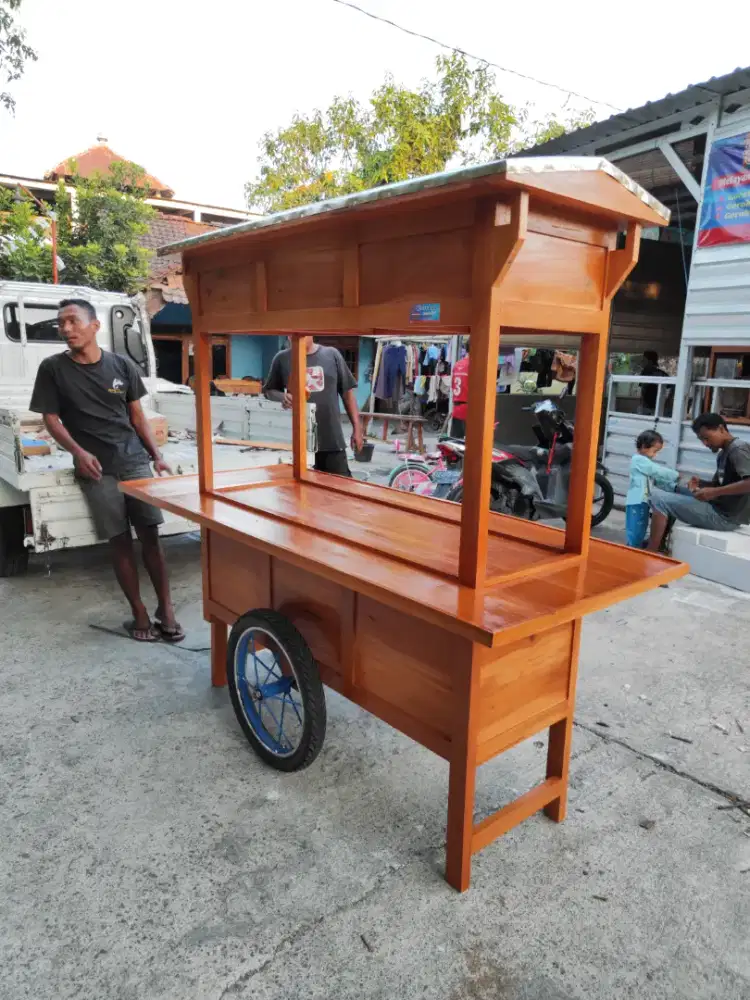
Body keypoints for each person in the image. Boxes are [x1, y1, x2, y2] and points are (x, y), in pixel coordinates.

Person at [29, 299, 183, 643]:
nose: (65, 329)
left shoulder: (122, 365)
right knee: (119, 540)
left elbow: (137, 416)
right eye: (61, 323)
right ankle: (139, 612)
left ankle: (167, 610)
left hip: (133, 460)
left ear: (95, 325)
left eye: (73, 321)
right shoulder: (53, 368)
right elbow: (50, 419)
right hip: (96, 468)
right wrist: (78, 452)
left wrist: (156, 455)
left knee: (151, 536)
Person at [647, 413, 750, 551]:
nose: (705, 444)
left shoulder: (738, 449)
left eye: (706, 438)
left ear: (721, 429)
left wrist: (714, 492)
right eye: (701, 440)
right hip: (718, 506)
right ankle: (660, 544)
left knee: (658, 499)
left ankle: (651, 551)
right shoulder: (723, 454)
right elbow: (718, 485)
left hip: (726, 517)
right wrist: (701, 484)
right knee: (674, 488)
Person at [263, 336, 363, 476]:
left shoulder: (331, 354)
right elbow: (268, 391)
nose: (296, 336)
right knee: (300, 486)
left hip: (331, 439)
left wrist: (357, 428)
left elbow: (347, 394)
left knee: (338, 485)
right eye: (291, 333)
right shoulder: (282, 358)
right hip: (298, 442)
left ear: (311, 332)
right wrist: (282, 397)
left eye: (303, 332)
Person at [625, 430, 679, 548]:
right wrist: (676, 475)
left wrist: (674, 486)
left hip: (642, 501)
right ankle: (632, 549)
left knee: (641, 528)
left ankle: (634, 548)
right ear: (644, 446)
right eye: (655, 451)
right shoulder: (639, 460)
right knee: (636, 530)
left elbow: (657, 480)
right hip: (637, 501)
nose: (655, 455)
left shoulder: (644, 463)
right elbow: (657, 471)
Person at [639, 350, 668, 414]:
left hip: (656, 408)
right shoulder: (644, 372)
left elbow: (672, 386)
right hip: (647, 407)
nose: (642, 362)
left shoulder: (661, 374)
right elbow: (642, 391)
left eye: (644, 360)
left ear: (650, 361)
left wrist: (667, 402)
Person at [451, 342, 469, 437]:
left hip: (457, 408)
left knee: (456, 442)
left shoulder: (457, 365)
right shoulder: (475, 365)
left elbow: (452, 386)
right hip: (470, 409)